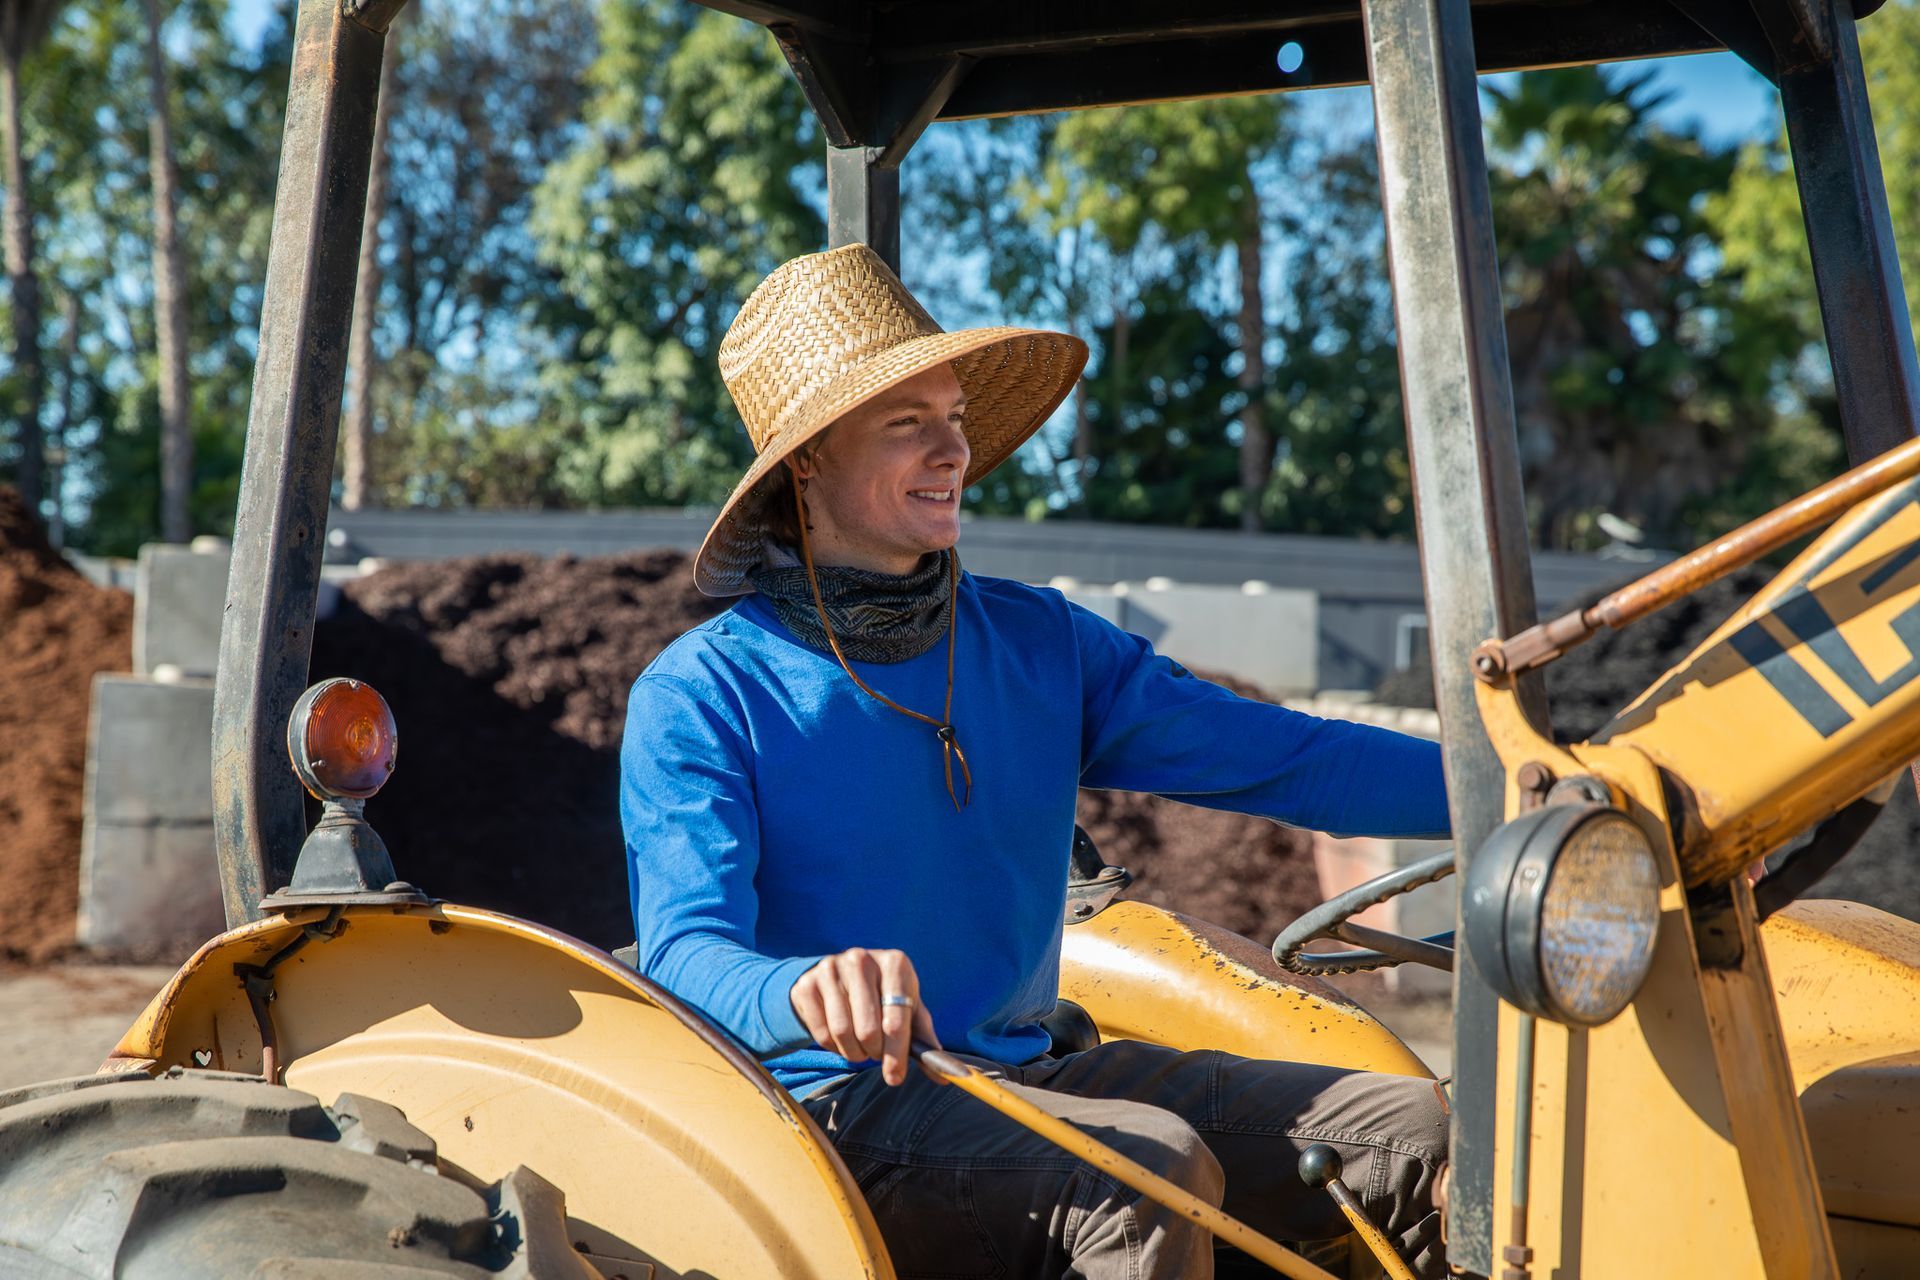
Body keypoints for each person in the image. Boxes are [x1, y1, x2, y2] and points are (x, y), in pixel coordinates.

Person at [620, 244, 1452, 1278]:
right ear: (807, 457)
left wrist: (1511, 787)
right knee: (1143, 1175)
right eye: (905, 423)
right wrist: (800, 988)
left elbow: (1292, 760)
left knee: (1426, 1130)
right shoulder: (702, 693)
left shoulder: (1041, 644)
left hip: (1028, 1067)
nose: (951, 450)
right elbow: (684, 955)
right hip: (829, 1111)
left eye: (956, 418)